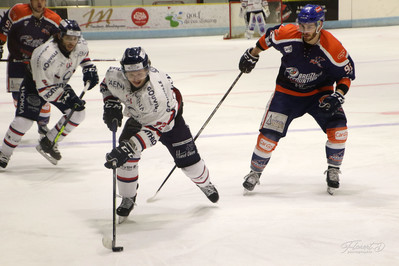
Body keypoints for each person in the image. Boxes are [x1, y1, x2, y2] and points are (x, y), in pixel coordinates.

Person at [238, 4, 355, 195]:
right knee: (268, 137)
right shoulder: (288, 33)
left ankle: (333, 169)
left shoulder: (333, 47)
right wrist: (253, 54)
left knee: (339, 130)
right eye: (302, 25)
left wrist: (339, 94)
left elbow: (346, 75)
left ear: (320, 25)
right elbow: (268, 38)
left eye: (309, 27)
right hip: (287, 93)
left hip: (319, 93)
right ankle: (255, 172)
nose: (305, 31)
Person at [100, 47, 219, 223]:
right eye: (131, 74)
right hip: (138, 116)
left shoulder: (156, 95)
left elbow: (154, 131)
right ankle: (128, 197)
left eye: (140, 73)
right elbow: (106, 85)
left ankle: (205, 183)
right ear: (124, 72)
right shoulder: (115, 75)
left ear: (147, 68)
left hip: (168, 119)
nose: (136, 78)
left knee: (189, 163)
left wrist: (128, 147)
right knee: (126, 159)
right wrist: (110, 104)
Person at [0, 19, 99, 168]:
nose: (72, 42)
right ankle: (4, 153)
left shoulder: (79, 43)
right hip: (35, 85)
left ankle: (49, 141)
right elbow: (44, 91)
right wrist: (67, 97)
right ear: (59, 36)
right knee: (24, 122)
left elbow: (82, 54)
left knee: (78, 113)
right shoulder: (45, 55)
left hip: (59, 84)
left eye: (75, 38)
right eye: (68, 38)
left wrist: (88, 67)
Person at [0, 0, 62, 137]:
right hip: (17, 62)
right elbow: (3, 28)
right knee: (18, 96)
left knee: (44, 95)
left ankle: (43, 125)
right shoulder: (18, 11)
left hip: (40, 65)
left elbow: (61, 41)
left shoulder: (54, 19)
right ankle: (23, 119)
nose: (40, 2)